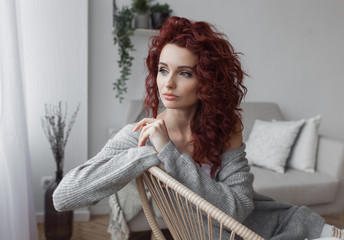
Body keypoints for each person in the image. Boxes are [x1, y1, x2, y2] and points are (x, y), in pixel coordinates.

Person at [53, 17, 343, 240]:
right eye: (163, 70)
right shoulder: (141, 135)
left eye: (185, 73)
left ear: (206, 81)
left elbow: (239, 209)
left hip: (279, 225)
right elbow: (64, 197)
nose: (168, 83)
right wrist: (150, 154)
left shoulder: (225, 127)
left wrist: (168, 152)